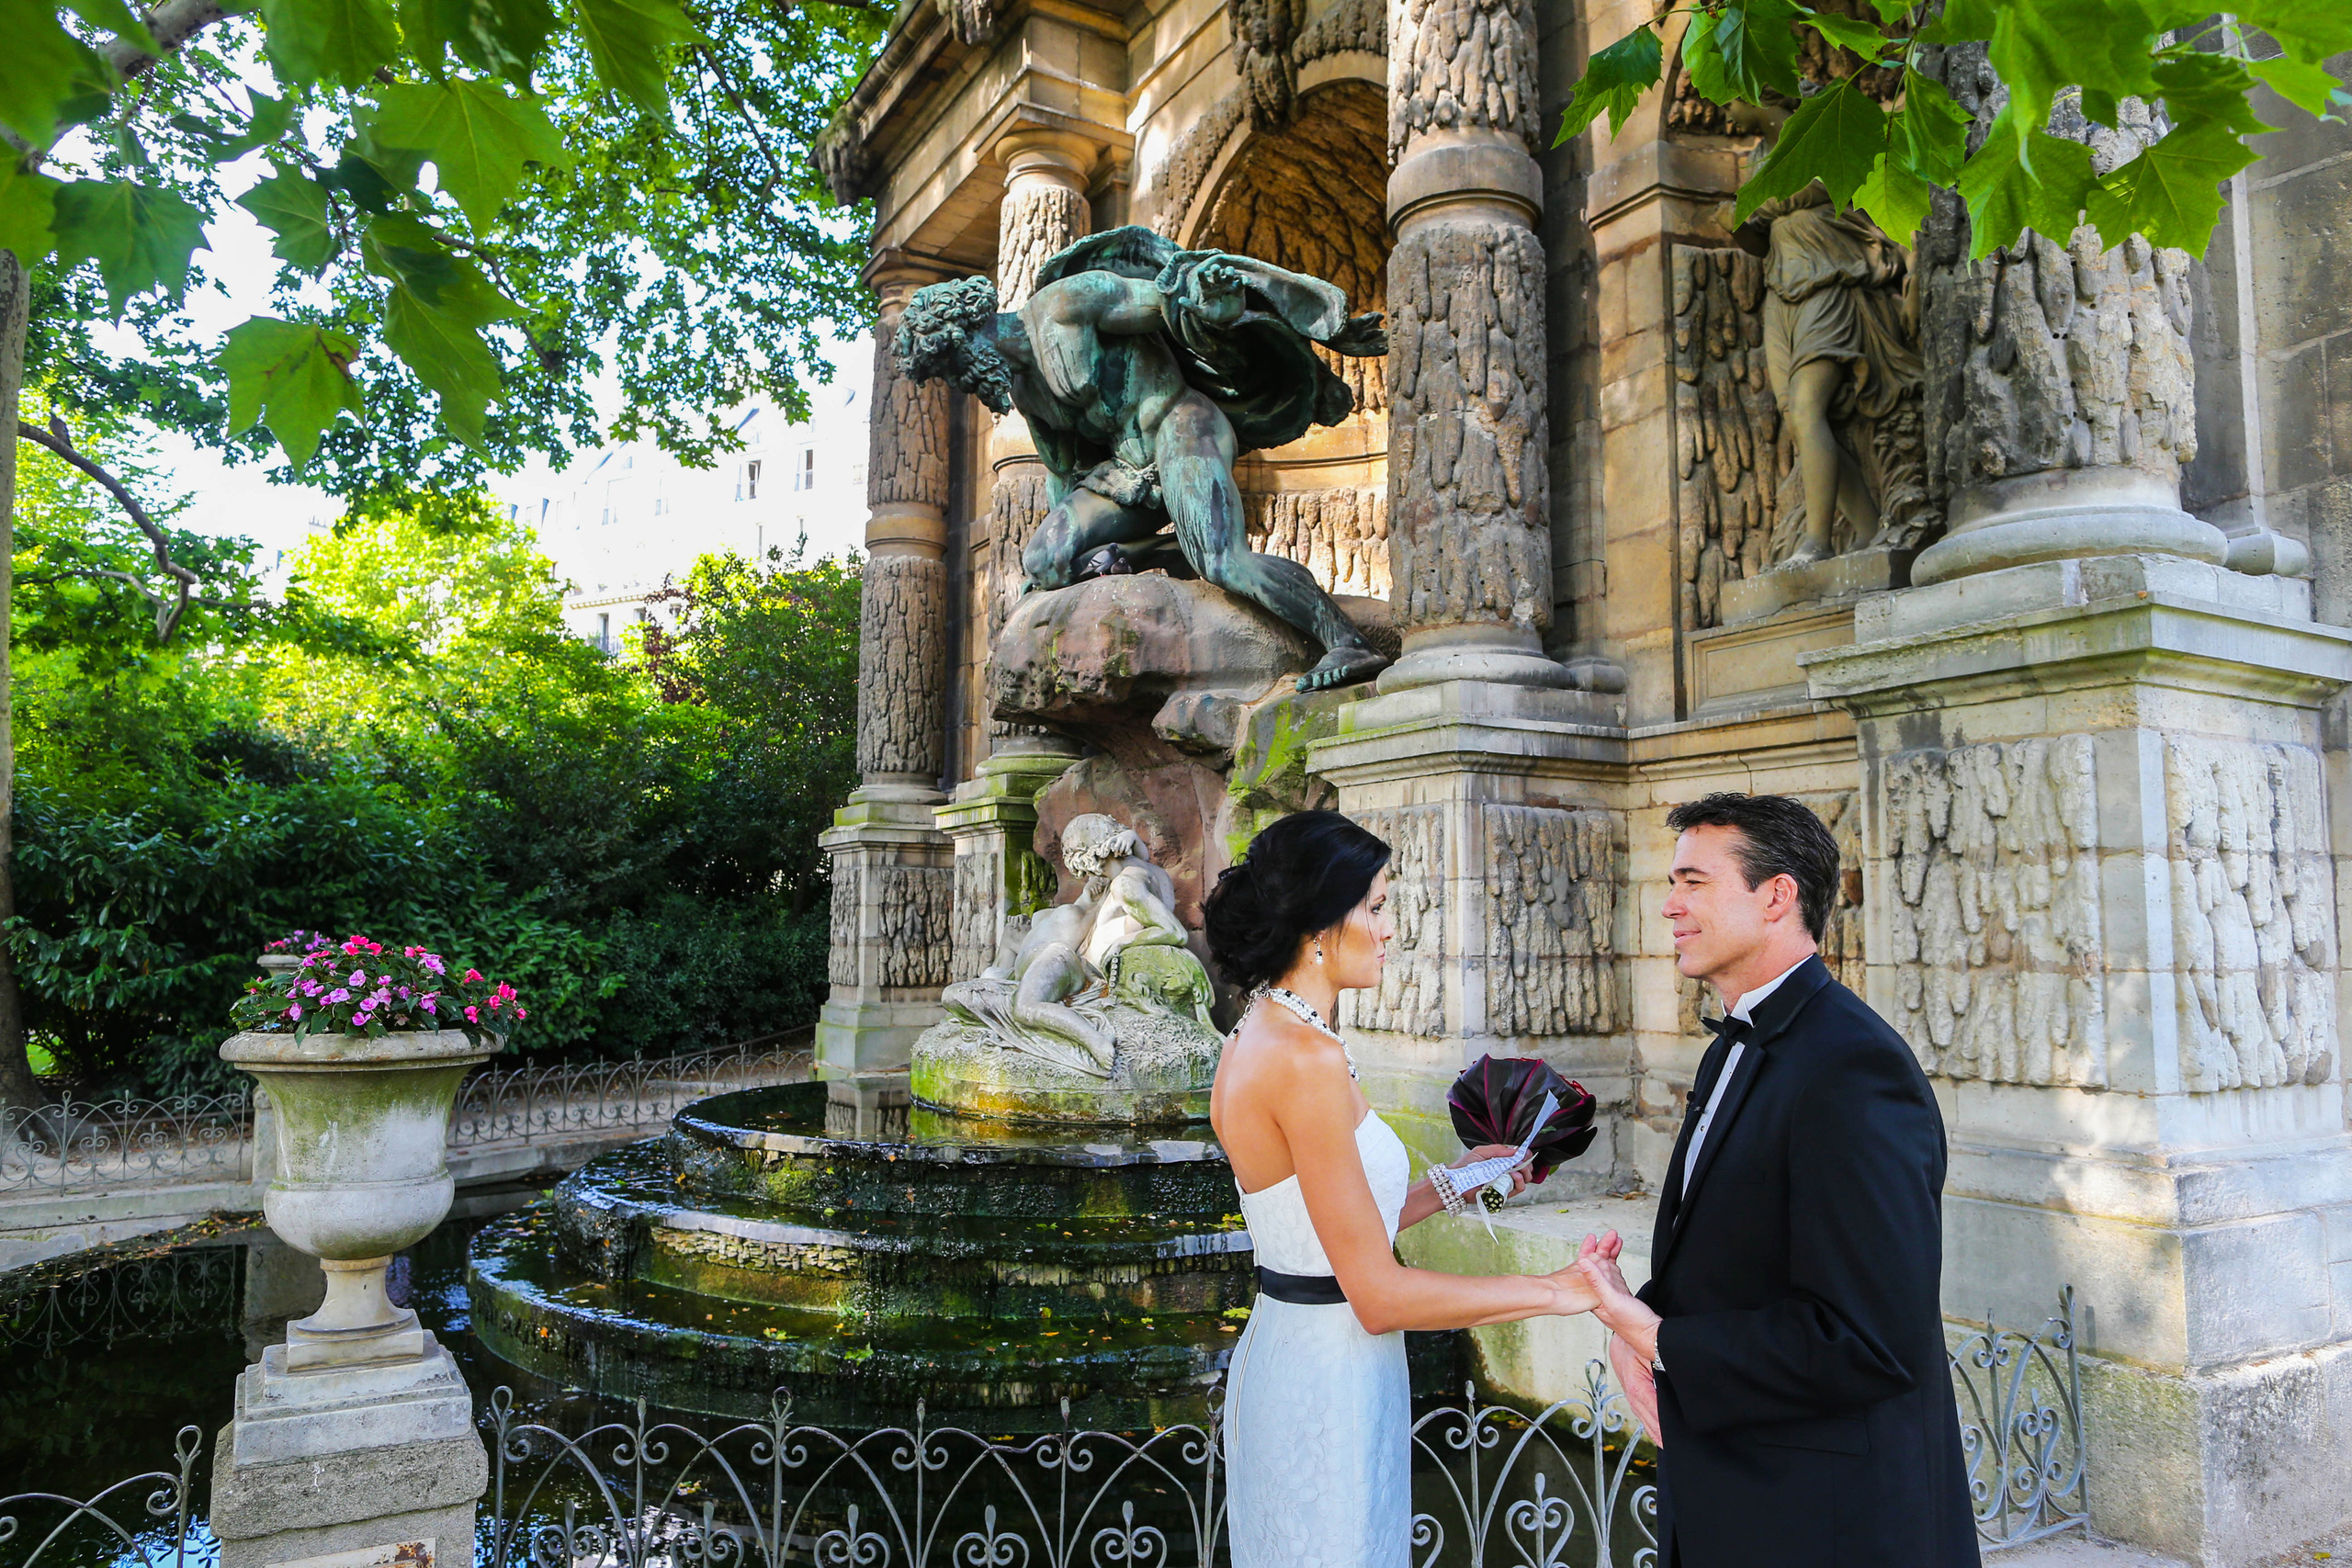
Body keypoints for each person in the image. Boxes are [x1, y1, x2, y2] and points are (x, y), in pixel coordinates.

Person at [1571, 793, 1974, 1566]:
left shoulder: (1854, 1067)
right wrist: (1639, 1320)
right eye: (1672, 883)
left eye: (1694, 882)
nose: (1669, 906)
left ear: (1778, 895)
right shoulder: (1738, 1040)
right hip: (1741, 1490)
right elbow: (1752, 1258)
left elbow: (1870, 1338)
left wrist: (1662, 1340)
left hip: (1829, 1521)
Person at [1204, 810, 1600, 1568]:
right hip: (1329, 1375)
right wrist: (1556, 1290)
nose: (1391, 930)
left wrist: (1461, 1181)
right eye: (1377, 907)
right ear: (1322, 923)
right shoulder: (1305, 1061)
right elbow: (1377, 1294)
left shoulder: (1265, 1032)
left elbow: (1321, 1221)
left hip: (1305, 1350)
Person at [892, 227, 1391, 691]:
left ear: (969, 330)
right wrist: (1056, 569)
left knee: (1222, 562)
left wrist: (1206, 297)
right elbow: (1065, 473)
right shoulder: (1026, 389)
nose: (958, 382)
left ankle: (1348, 643)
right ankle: (1153, 557)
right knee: (1043, 559)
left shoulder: (1065, 306)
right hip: (1128, 476)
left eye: (951, 365)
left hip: (1181, 429)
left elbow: (1166, 301)